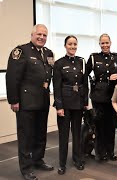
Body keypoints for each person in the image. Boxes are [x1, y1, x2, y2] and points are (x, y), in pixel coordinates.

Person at [6, 24, 54, 180]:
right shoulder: (21, 51)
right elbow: (12, 77)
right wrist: (14, 100)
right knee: (26, 136)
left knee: (40, 134)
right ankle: (26, 168)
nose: (41, 37)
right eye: (39, 34)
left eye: (44, 35)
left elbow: (49, 75)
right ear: (32, 34)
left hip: (43, 100)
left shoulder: (48, 53)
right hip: (26, 102)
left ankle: (38, 160)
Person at [53, 35, 89, 175]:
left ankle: (77, 159)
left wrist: (85, 102)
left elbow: (84, 84)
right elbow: (56, 86)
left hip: (78, 103)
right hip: (65, 104)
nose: (73, 46)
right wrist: (59, 106)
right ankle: (62, 164)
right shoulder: (59, 63)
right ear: (65, 46)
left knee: (77, 134)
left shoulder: (82, 62)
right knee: (63, 135)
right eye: (70, 44)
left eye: (75, 44)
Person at [86, 34, 117, 161]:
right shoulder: (94, 57)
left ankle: (110, 152)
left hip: (112, 96)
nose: (105, 45)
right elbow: (85, 74)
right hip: (98, 96)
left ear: (111, 43)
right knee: (99, 126)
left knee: (111, 126)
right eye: (102, 43)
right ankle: (100, 153)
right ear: (99, 44)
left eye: (107, 43)